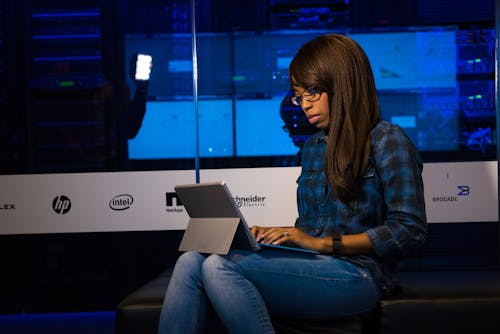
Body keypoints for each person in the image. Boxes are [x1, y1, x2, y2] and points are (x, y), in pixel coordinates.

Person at [157, 33, 427, 334]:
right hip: (313, 263)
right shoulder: (314, 147)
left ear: (344, 85)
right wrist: (281, 236)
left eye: (313, 92)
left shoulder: (387, 139)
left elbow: (409, 230)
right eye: (300, 96)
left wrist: (322, 244)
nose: (305, 105)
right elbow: (313, 228)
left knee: (220, 267)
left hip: (360, 274)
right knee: (193, 260)